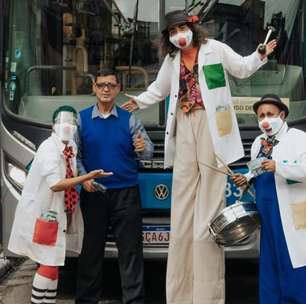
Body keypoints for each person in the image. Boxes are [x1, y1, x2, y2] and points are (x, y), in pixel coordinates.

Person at [121, 9, 277, 304]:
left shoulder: (215, 49)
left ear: (193, 28)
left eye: (182, 28)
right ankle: (179, 295)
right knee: (181, 211)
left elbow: (242, 68)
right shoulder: (172, 60)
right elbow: (159, 89)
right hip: (183, 122)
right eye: (172, 32)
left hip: (212, 124)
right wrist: (137, 101)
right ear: (168, 38)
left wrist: (260, 54)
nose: (179, 35)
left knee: (208, 208)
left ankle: (208, 296)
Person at [8, 106, 112, 304]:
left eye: (71, 123)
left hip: (56, 214)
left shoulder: (70, 145)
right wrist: (86, 177)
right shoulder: (49, 149)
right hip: (43, 215)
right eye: (63, 124)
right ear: (53, 126)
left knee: (53, 265)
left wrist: (87, 182)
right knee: (48, 263)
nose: (68, 127)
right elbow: (56, 184)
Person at [75, 67, 153, 304]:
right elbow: (74, 156)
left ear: (118, 89)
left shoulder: (130, 120)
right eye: (101, 85)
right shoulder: (82, 119)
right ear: (94, 88)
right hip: (94, 193)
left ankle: (134, 300)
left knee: (130, 252)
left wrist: (142, 149)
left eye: (111, 85)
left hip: (126, 193)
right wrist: (84, 177)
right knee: (90, 251)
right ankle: (87, 300)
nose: (106, 89)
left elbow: (147, 152)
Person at [232, 94, 306, 303]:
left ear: (282, 115)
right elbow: (256, 169)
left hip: (291, 216)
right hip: (267, 214)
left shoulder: (298, 139)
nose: (265, 120)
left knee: (293, 262)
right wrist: (245, 178)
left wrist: (278, 167)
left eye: (270, 114)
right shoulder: (258, 143)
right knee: (269, 264)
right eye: (261, 116)